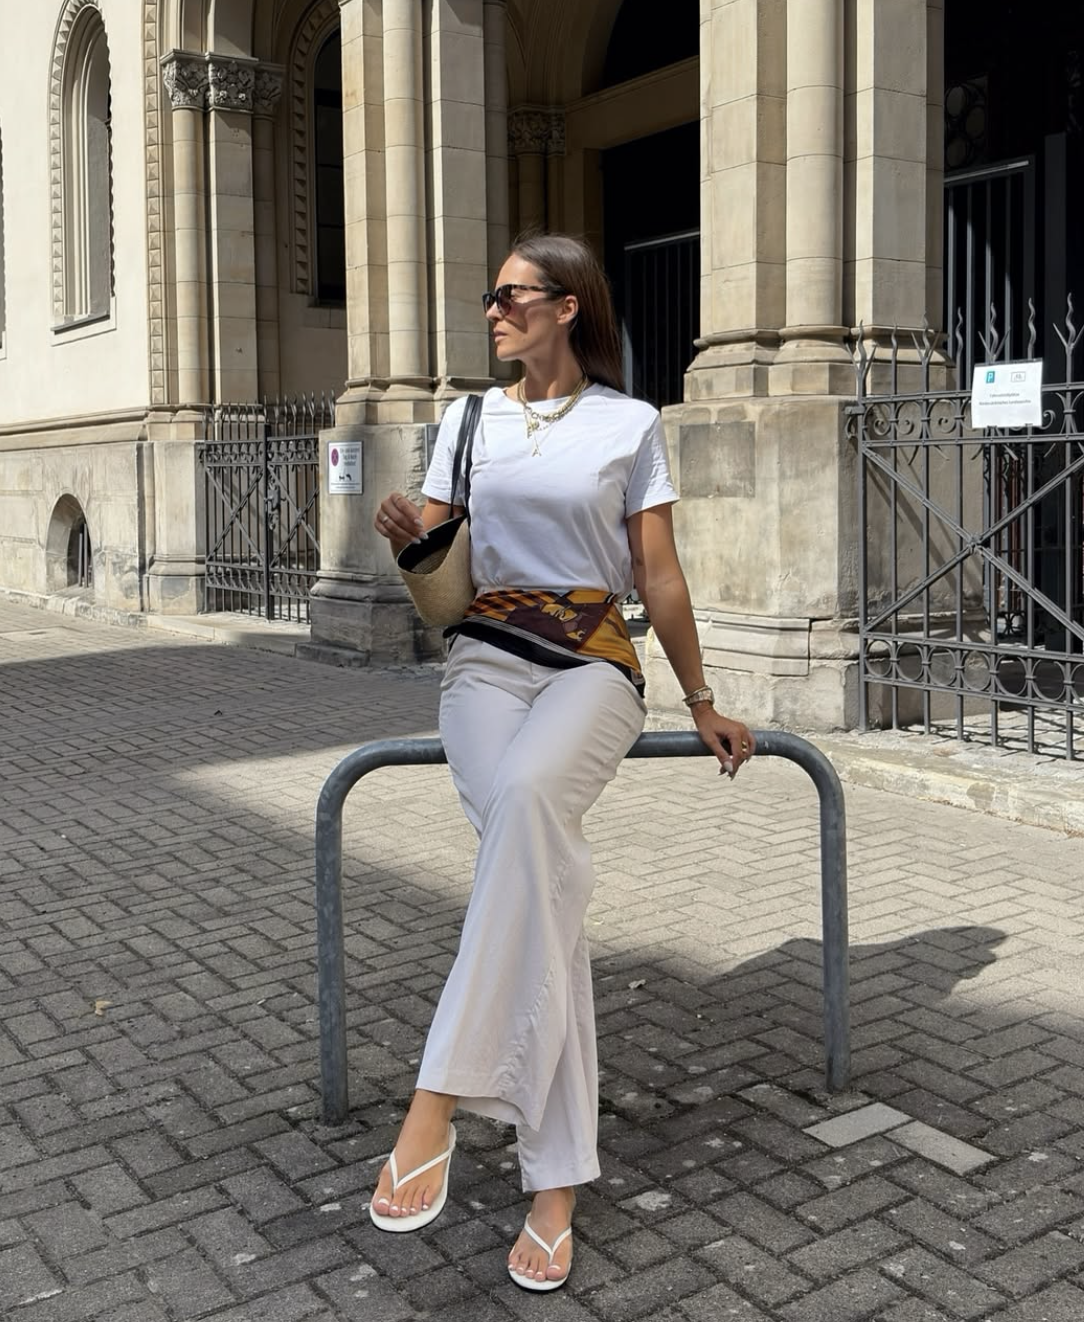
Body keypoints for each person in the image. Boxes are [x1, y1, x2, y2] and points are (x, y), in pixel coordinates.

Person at [371, 232, 755, 1292]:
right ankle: (553, 1189)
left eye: (510, 295)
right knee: (541, 885)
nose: (492, 311)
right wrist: (408, 531)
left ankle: (434, 1103)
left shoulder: (630, 423)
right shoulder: (467, 418)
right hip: (484, 663)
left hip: (592, 659)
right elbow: (443, 561)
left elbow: (657, 573)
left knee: (534, 808)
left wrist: (705, 698)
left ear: (567, 306)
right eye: (489, 295)